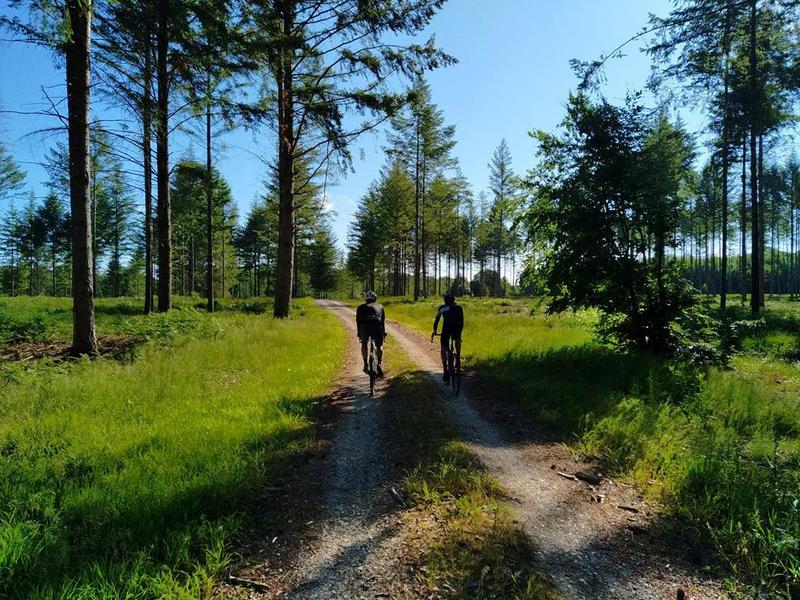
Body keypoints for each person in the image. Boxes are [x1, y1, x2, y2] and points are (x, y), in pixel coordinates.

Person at [431, 294, 464, 382]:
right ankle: (458, 356)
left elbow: (437, 320)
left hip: (446, 328)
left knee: (443, 347)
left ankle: (445, 370)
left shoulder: (442, 308)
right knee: (457, 338)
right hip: (457, 328)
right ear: (454, 300)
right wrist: (459, 333)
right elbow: (462, 321)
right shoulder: (459, 308)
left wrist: (435, 331)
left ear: (445, 301)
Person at [356, 291, 385, 377]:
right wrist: (383, 333)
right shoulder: (380, 306)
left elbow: (358, 321)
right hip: (377, 327)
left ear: (366, 299)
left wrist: (359, 333)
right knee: (379, 346)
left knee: (364, 343)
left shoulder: (360, 307)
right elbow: (382, 322)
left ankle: (365, 364)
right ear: (375, 299)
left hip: (364, 328)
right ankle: (379, 363)